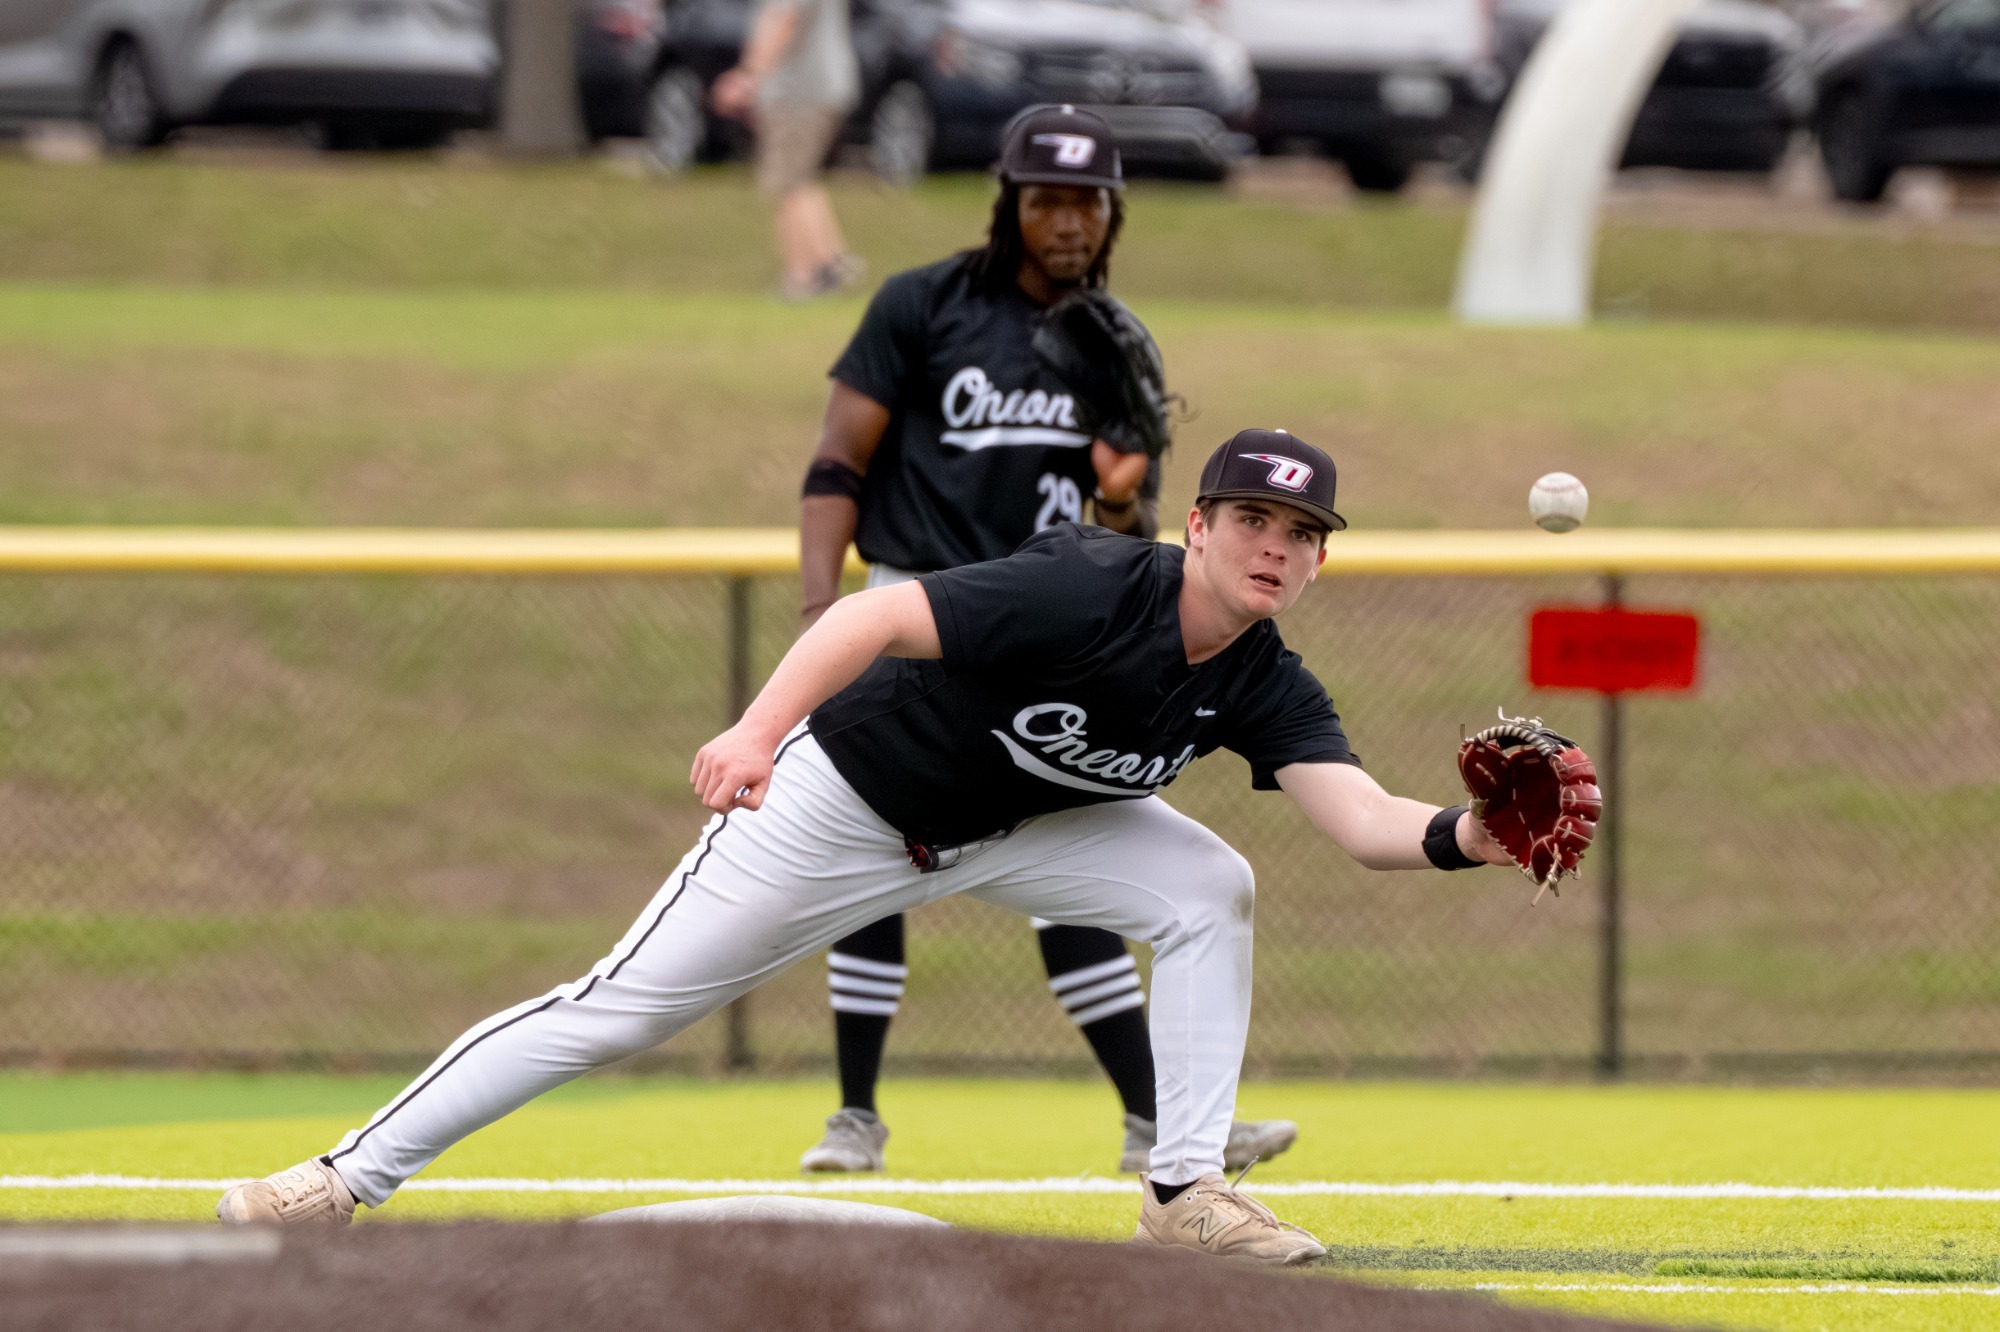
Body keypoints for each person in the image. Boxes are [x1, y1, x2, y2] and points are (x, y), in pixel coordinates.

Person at [217, 429, 1513, 1266]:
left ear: (1320, 559)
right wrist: (757, 730)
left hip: (1015, 831)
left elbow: (1356, 820)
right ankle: (332, 1183)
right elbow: (875, 618)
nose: (1274, 548)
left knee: (1207, 886)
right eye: (1251, 523)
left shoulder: (1264, 679)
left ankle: (1182, 1195)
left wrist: (1476, 831)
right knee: (615, 1013)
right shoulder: (1091, 584)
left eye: (1300, 536)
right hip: (844, 802)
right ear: (1201, 523)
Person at [793, 103, 1293, 1178]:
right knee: (876, 840)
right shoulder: (920, 307)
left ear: (1111, 215)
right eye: (1046, 198)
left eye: (1087, 201)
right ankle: (854, 1114)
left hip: (1044, 633)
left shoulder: (1115, 341)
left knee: (1080, 855)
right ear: (1009, 204)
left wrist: (1119, 495)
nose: (1066, 220)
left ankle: (1152, 1121)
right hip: (913, 609)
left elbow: (1130, 541)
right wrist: (813, 609)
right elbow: (837, 460)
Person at [711, 0, 861, 300]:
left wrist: (749, 76)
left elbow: (784, 19)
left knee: (784, 183)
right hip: (827, 86)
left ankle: (802, 277)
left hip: (799, 92)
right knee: (802, 179)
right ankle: (830, 262)